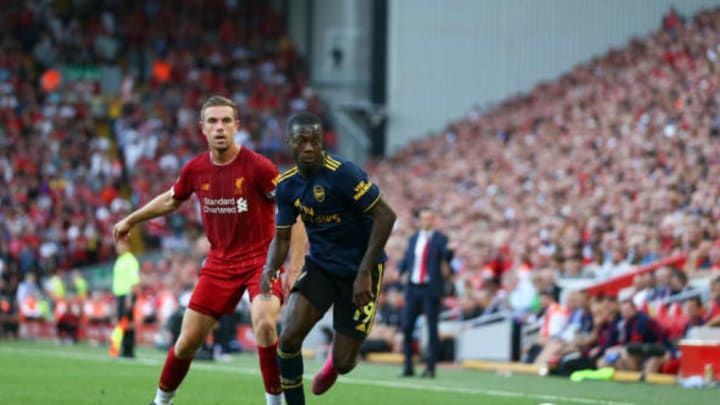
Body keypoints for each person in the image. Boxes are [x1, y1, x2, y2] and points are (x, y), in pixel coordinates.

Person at [113, 95, 297, 405]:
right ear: (203, 128)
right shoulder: (195, 169)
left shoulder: (258, 167)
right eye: (213, 121)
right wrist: (132, 218)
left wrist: (293, 265)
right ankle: (160, 403)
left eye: (226, 121)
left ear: (236, 126)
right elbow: (173, 198)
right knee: (186, 343)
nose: (220, 127)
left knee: (265, 324)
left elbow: (293, 206)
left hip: (260, 263)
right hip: (219, 264)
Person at [261, 112, 397, 405]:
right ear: (290, 143)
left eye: (315, 141)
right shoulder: (286, 185)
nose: (309, 147)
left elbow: (386, 215)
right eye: (302, 141)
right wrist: (271, 267)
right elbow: (283, 236)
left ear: (323, 142)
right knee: (288, 339)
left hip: (361, 269)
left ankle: (334, 363)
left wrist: (364, 272)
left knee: (346, 362)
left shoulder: (343, 173)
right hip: (321, 266)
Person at [398, 207, 452, 378]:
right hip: (414, 287)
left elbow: (446, 256)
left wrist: (451, 251)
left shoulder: (440, 238)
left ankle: (430, 367)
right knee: (407, 327)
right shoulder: (414, 238)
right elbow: (408, 258)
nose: (426, 221)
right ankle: (408, 366)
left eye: (429, 218)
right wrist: (400, 270)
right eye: (423, 218)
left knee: (431, 328)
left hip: (430, 288)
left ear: (433, 220)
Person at [111, 239, 141, 357]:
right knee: (123, 322)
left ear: (127, 246)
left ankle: (129, 350)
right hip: (120, 295)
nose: (118, 248)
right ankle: (125, 348)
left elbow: (134, 280)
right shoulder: (120, 260)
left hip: (127, 295)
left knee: (127, 322)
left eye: (121, 245)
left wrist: (130, 298)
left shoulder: (130, 260)